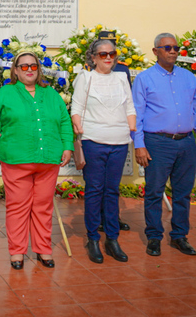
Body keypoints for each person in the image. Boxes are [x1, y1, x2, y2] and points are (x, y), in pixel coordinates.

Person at [0, 52, 73, 269]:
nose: (29, 70)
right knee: (17, 207)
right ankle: (17, 252)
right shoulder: (4, 94)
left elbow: (64, 120)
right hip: (16, 160)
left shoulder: (51, 94)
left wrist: (68, 146)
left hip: (48, 160)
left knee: (43, 207)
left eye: (33, 66)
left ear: (39, 69)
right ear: (15, 70)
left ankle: (43, 250)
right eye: (23, 66)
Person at [132, 33, 196, 257]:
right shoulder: (144, 79)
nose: (173, 51)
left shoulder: (188, 77)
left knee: (183, 193)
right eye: (167, 48)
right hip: (157, 142)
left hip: (186, 143)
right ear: (156, 51)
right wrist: (139, 144)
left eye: (175, 47)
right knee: (154, 192)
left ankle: (179, 236)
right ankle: (154, 237)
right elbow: (137, 113)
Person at [71, 39, 136, 264]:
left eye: (112, 53)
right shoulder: (85, 78)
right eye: (102, 54)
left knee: (112, 191)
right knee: (94, 190)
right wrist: (78, 126)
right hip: (94, 141)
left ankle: (112, 239)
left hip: (119, 142)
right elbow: (76, 107)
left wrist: (132, 129)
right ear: (93, 57)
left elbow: (129, 106)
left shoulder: (121, 78)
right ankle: (93, 239)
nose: (108, 57)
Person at [93, 30, 132, 233]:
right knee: (97, 183)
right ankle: (97, 219)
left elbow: (128, 98)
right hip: (97, 131)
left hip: (117, 131)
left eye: (112, 49)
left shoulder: (123, 70)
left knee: (112, 184)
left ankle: (112, 218)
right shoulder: (88, 70)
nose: (108, 56)